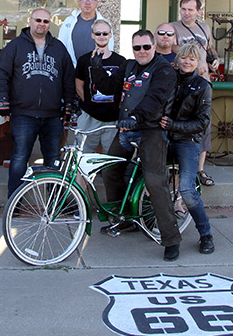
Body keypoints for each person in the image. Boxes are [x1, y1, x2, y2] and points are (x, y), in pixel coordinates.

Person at [90, 29, 181, 261]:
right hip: (127, 129)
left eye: (146, 47)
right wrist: (97, 68)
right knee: (110, 169)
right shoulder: (128, 66)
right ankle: (123, 220)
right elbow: (109, 88)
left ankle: (171, 239)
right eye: (137, 47)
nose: (141, 51)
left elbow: (155, 99)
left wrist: (136, 117)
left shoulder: (163, 70)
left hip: (151, 130)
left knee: (154, 181)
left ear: (154, 47)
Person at [0, 8, 77, 197]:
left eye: (46, 21)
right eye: (38, 20)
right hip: (23, 114)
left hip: (53, 115)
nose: (42, 24)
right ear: (30, 21)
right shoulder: (15, 45)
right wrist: (4, 100)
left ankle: (54, 203)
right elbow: (2, 73)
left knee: (53, 160)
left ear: (50, 24)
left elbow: (68, 78)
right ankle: (14, 201)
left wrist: (69, 104)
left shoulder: (58, 48)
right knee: (19, 158)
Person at [160, 42, 215, 254]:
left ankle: (206, 234)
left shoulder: (203, 86)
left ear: (197, 61)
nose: (187, 62)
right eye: (184, 57)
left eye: (192, 59)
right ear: (178, 58)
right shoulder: (169, 79)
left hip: (187, 140)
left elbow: (202, 122)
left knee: (187, 190)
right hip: (165, 136)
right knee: (147, 176)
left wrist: (175, 126)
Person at [172, 0, 219, 187]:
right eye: (183, 9)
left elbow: (210, 48)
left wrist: (215, 59)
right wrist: (194, 59)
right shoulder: (174, 28)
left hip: (203, 82)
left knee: (203, 126)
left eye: (190, 10)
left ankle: (200, 169)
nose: (186, 13)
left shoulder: (204, 28)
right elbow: (170, 46)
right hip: (182, 84)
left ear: (198, 11)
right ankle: (179, 169)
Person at [74, 18, 125, 154]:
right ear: (92, 35)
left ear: (110, 35)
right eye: (98, 33)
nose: (101, 36)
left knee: (112, 159)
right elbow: (78, 85)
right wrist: (89, 104)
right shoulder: (84, 60)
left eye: (105, 33)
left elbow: (123, 88)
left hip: (113, 118)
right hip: (89, 117)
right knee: (83, 157)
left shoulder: (120, 61)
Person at [58, 0, 113, 65]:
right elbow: (61, 45)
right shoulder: (68, 21)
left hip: (96, 68)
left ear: (97, 3)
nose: (87, 2)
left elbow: (110, 47)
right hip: (72, 68)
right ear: (79, 2)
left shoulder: (105, 23)